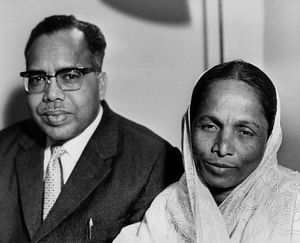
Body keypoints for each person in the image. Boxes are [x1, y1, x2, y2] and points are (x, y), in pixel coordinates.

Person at [0, 15, 183, 242]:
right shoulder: (3, 149)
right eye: (38, 78)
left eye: (69, 76)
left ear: (101, 84)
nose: (51, 95)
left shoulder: (154, 162)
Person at [114, 60, 300, 243]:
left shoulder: (294, 204)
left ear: (270, 138)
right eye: (210, 126)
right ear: (189, 128)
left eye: (245, 132)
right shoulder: (167, 208)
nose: (223, 148)